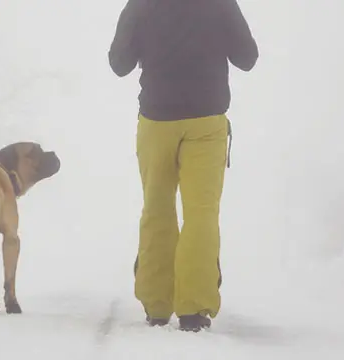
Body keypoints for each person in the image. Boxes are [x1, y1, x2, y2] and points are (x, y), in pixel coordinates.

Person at [108, 0, 258, 332]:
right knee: (201, 213)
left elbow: (119, 63)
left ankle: (156, 304)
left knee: (157, 208)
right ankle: (194, 309)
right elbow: (247, 58)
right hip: (207, 121)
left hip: (156, 120)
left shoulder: (141, 4)